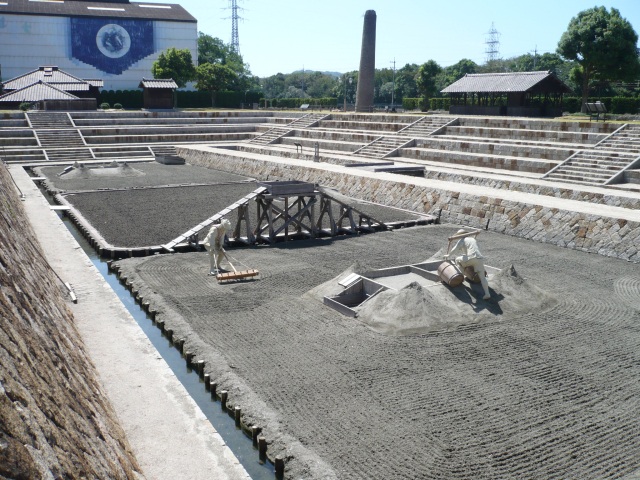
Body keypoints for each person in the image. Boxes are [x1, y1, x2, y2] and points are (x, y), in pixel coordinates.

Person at [445, 229, 491, 300]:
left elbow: (454, 249)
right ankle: (487, 294)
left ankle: (461, 277)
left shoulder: (462, 240)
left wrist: (448, 255)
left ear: (459, 236)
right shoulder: (472, 239)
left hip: (471, 257)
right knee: (482, 277)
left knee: (457, 259)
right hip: (479, 258)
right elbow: (472, 248)